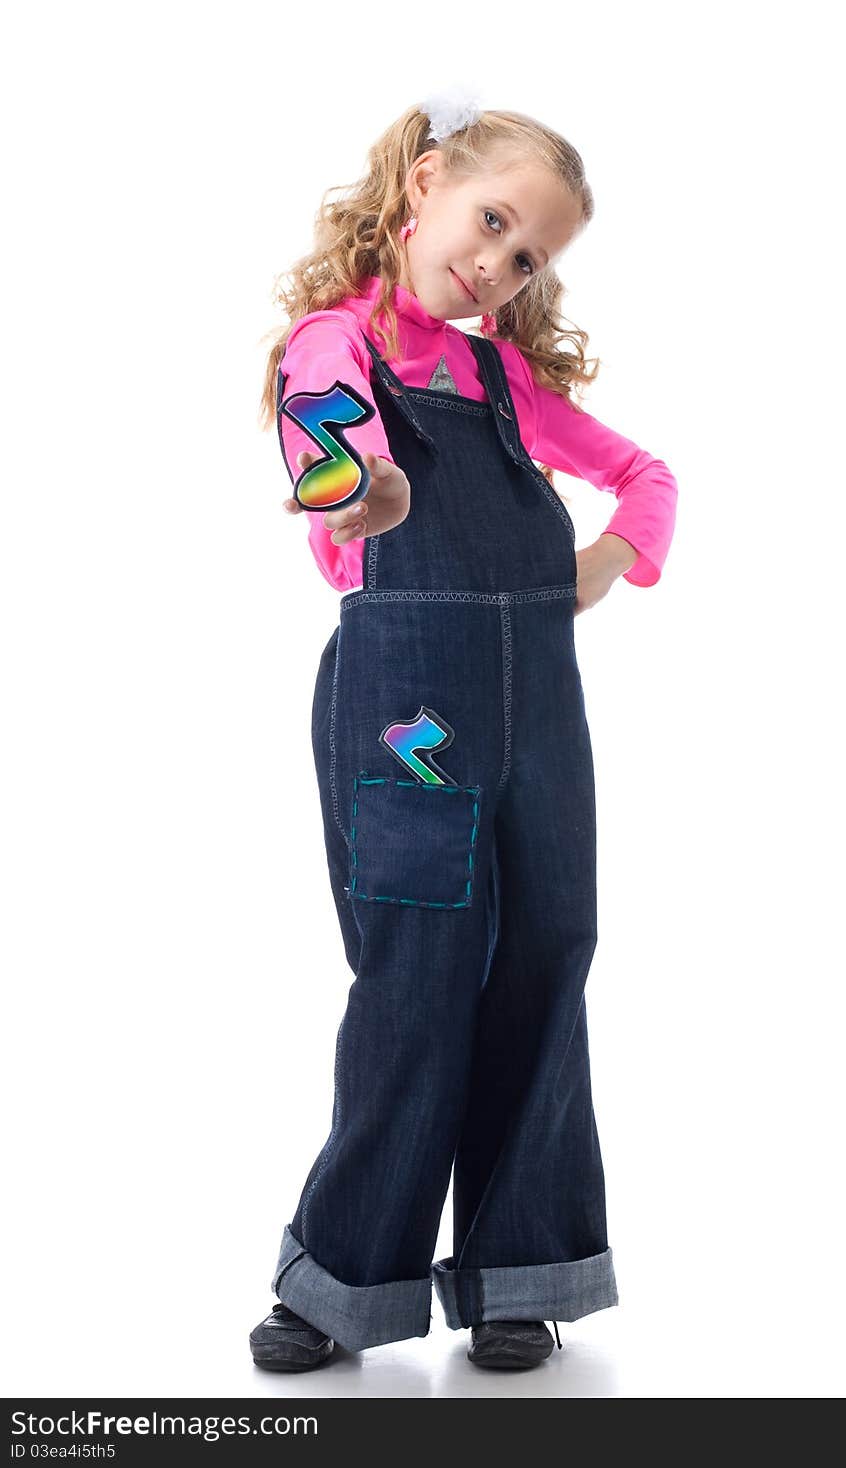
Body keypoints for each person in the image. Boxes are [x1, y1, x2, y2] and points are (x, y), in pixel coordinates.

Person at [249, 89, 678, 1375]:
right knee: (415, 977)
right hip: (411, 711)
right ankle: (344, 1283)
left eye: (526, 255)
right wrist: (361, 487)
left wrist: (606, 562)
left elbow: (647, 477)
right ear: (424, 183)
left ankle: (520, 1269)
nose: (494, 264)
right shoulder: (332, 346)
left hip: (541, 706)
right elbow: (328, 452)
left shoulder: (504, 377)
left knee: (548, 949)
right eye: (489, 221)